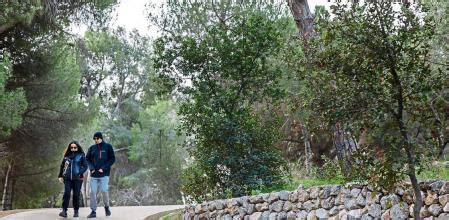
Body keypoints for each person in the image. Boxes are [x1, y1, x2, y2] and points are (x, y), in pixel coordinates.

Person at [86, 132, 115, 218]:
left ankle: (106, 207)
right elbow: (87, 159)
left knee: (104, 190)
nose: (96, 140)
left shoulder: (108, 147)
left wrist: (104, 168)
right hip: (94, 175)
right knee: (92, 192)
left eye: (97, 138)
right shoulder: (92, 148)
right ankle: (93, 211)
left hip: (104, 174)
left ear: (101, 138)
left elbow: (112, 159)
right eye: (94, 139)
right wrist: (91, 168)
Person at [58, 141, 88, 218]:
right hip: (67, 178)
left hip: (78, 179)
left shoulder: (81, 156)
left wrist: (79, 172)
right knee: (67, 194)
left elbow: (85, 166)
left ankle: (76, 211)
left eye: (75, 147)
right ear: (70, 148)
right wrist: (60, 176)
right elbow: (62, 166)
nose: (73, 149)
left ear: (77, 147)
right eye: (71, 147)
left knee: (76, 195)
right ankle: (64, 211)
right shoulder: (66, 156)